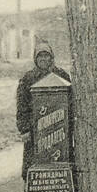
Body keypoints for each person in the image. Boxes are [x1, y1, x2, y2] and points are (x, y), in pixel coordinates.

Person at [16, 40, 71, 180]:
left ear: (51, 57)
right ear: (35, 59)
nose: (43, 59)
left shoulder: (62, 75)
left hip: (59, 125)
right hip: (35, 127)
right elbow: (22, 105)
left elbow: (70, 100)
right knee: (33, 162)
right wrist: (24, 129)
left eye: (46, 56)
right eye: (40, 56)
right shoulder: (28, 78)